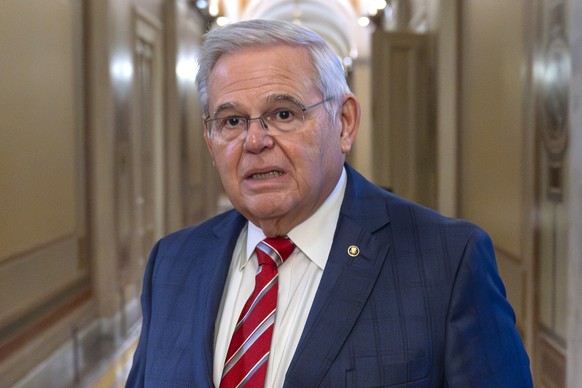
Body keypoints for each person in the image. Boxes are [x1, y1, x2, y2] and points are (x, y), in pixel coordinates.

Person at [126, 19, 533, 387]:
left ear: (344, 122)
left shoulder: (448, 262)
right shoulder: (173, 261)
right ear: (210, 141)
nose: (254, 141)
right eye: (231, 121)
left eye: (283, 113)